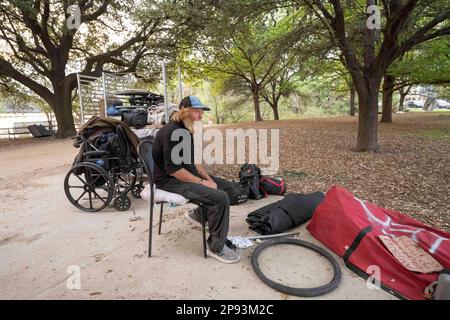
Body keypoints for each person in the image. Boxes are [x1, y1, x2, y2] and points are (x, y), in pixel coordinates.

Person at [152, 96, 240, 263]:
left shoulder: (185, 130)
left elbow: (194, 162)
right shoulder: (172, 132)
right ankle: (216, 247)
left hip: (185, 174)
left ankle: (199, 215)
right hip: (170, 180)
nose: (200, 116)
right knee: (220, 197)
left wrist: (207, 178)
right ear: (184, 111)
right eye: (197, 112)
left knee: (228, 188)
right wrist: (202, 183)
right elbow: (175, 170)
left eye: (201, 112)